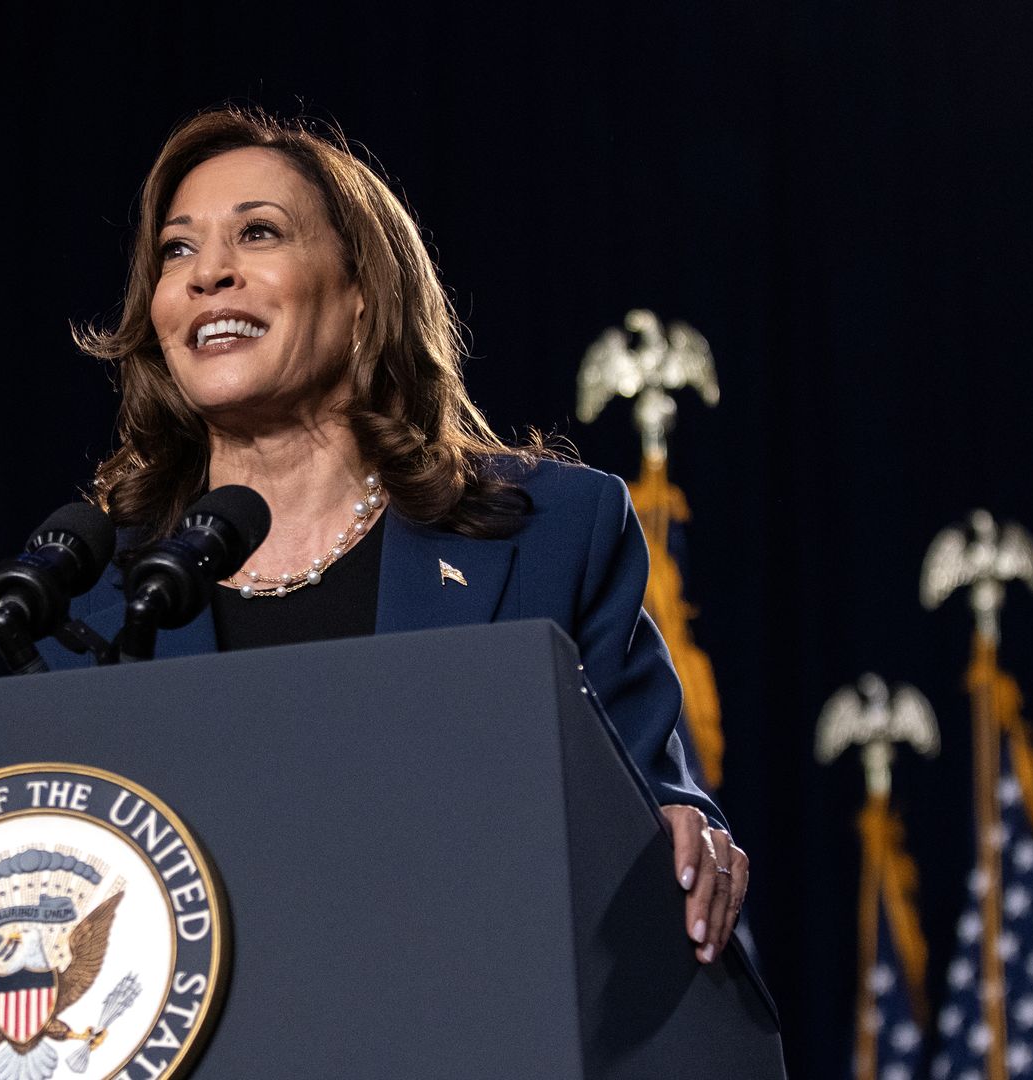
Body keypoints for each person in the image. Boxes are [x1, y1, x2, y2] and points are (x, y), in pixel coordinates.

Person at [45, 106, 748, 966]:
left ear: (363, 294)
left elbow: (644, 800)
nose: (207, 275)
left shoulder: (552, 535)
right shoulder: (91, 595)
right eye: (177, 251)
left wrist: (687, 833)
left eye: (257, 234)